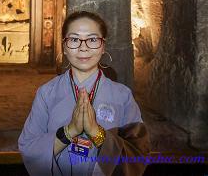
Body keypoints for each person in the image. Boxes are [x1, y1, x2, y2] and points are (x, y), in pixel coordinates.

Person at [18, 11, 150, 176]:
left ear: (103, 47)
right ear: (64, 47)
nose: (83, 47)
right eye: (74, 39)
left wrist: (96, 132)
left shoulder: (122, 96)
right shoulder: (47, 93)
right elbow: (28, 148)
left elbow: (137, 152)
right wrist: (69, 132)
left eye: (93, 39)